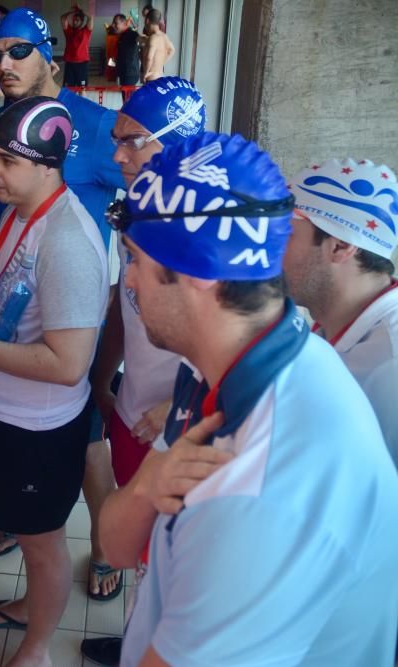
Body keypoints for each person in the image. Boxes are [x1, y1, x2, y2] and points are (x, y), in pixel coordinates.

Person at [98, 132, 398, 667]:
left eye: (134, 258)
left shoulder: (266, 486)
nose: (131, 282)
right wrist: (149, 481)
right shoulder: (225, 370)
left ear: (193, 273)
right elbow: (116, 548)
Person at [0, 96, 108, 667]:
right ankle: (33, 605)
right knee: (27, 533)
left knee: (43, 542)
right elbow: (11, 293)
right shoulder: (21, 217)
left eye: (6, 160)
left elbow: (68, 364)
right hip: (3, 412)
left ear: (46, 165)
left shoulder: (67, 242)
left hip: (39, 429)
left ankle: (37, 649)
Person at [0, 8, 125, 599]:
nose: (2, 64)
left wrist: (130, 284)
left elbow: (146, 185)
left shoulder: (90, 125)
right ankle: (24, 518)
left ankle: (106, 546)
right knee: (24, 436)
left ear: (49, 57)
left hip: (73, 311)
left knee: (85, 442)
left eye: (17, 52)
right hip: (13, 301)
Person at [81, 76, 206, 667]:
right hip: (135, 411)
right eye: (116, 139)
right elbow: (122, 304)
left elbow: (242, 336)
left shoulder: (211, 223)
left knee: (173, 559)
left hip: (176, 428)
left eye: (133, 141)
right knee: (142, 561)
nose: (117, 155)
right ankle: (135, 638)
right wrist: (106, 374)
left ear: (176, 143)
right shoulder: (136, 208)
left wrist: (183, 408)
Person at [283, 158, 398, 464]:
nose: (269, 249)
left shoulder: (391, 365)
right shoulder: (324, 328)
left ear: (340, 247)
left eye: (285, 235)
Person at [61, 5, 93, 87]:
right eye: (74, 20)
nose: (75, 22)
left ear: (82, 21)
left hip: (82, 64)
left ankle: (81, 100)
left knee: (82, 88)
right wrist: (71, 12)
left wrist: (81, 10)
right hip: (70, 63)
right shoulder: (68, 31)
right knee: (68, 88)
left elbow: (90, 18)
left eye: (77, 20)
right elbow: (63, 18)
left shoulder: (86, 31)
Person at [142, 10, 173, 82]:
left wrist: (146, 73)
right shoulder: (164, 36)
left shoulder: (153, 38)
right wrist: (161, 63)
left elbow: (149, 57)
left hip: (151, 78)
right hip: (160, 75)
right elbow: (172, 50)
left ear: (147, 20)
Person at [113, 14, 141, 87]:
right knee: (125, 97)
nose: (113, 25)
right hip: (124, 73)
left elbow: (140, 38)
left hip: (130, 74)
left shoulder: (131, 34)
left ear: (124, 23)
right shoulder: (122, 35)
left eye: (116, 23)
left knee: (128, 98)